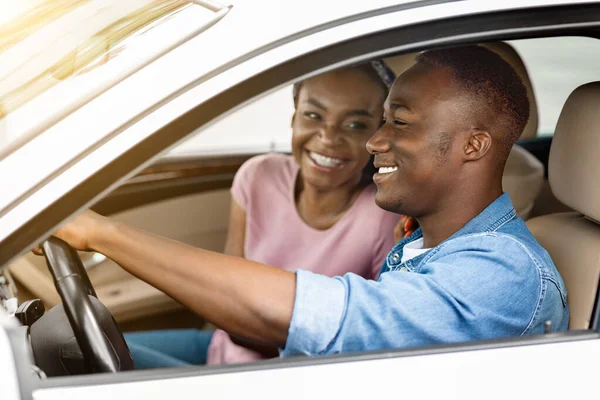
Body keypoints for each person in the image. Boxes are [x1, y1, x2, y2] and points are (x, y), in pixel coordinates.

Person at [39, 45, 569, 362]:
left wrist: (101, 233)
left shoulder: (504, 273)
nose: (374, 142)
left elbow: (321, 316)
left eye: (398, 122)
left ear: (473, 146)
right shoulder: (427, 245)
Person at [123, 61, 404, 368]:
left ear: (377, 136)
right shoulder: (258, 176)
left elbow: (367, 341)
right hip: (220, 348)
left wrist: (243, 319)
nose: (328, 137)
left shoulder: (381, 217)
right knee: (80, 346)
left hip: (272, 378)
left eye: (355, 125)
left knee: (84, 360)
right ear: (294, 118)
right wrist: (238, 319)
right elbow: (225, 294)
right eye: (313, 115)